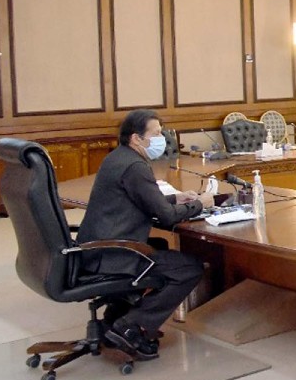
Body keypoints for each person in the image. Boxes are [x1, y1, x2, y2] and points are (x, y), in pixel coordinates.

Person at [77, 110, 205, 361]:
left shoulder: (117, 158)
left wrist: (174, 197)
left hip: (94, 249)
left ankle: (117, 317)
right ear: (137, 138)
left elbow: (139, 200)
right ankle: (131, 326)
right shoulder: (135, 166)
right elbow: (167, 217)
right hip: (115, 254)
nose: (162, 138)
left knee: (157, 244)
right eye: (157, 133)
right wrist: (201, 203)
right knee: (189, 269)